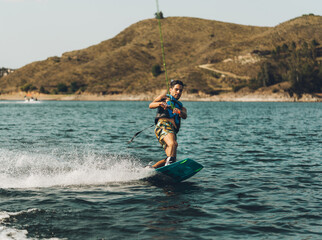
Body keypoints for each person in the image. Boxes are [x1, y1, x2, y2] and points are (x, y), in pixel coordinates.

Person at [149, 80, 187, 168]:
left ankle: (150, 169)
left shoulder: (181, 107)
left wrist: (179, 112)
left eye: (180, 90)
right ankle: (170, 167)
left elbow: (184, 115)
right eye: (176, 89)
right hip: (163, 126)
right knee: (173, 144)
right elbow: (151, 105)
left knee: (170, 157)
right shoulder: (164, 97)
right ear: (170, 89)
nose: (178, 92)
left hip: (172, 131)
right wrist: (160, 103)